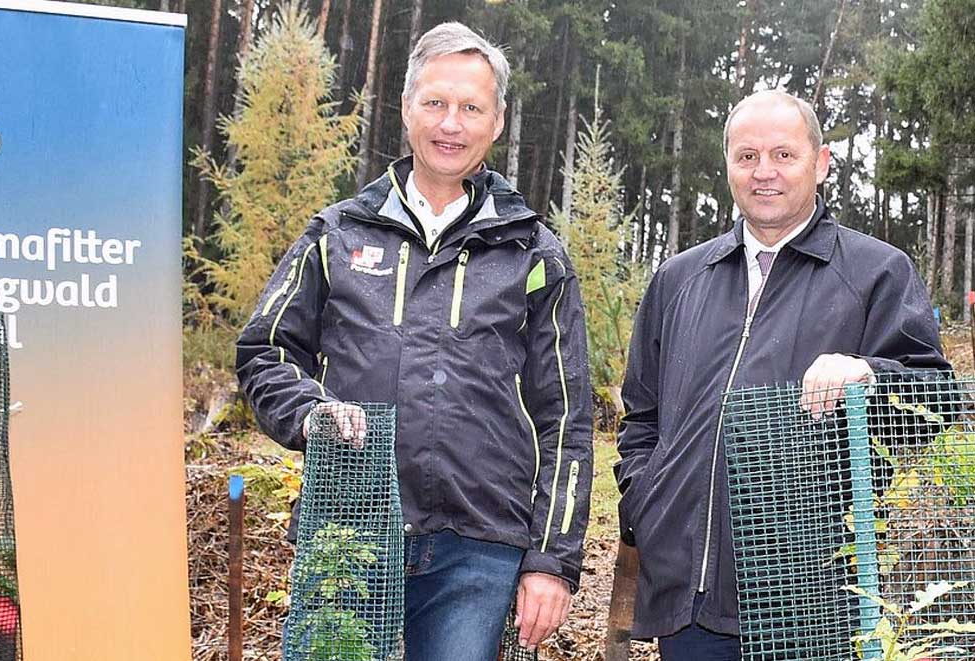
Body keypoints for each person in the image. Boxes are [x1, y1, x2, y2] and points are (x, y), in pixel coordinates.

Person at [236, 22, 593, 659]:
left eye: (470, 107)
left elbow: (565, 418)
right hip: (349, 528)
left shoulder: (535, 254)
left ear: (498, 122)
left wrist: (552, 561)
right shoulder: (338, 234)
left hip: (479, 547)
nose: (450, 123)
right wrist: (310, 415)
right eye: (435, 103)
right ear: (406, 109)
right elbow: (265, 350)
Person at [614, 89, 951, 660]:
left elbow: (935, 399)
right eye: (746, 157)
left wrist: (869, 373)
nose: (763, 172)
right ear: (728, 167)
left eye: (783, 155)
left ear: (820, 163)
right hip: (687, 605)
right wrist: (648, 503)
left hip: (813, 599)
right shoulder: (677, 280)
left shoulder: (876, 273)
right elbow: (641, 416)